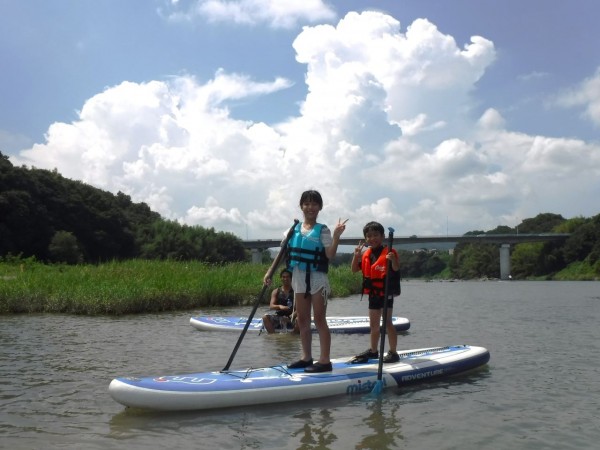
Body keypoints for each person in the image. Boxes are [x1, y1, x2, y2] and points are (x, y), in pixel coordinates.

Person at [265, 190, 347, 373]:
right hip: (299, 277)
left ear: (320, 207)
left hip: (318, 278)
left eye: (314, 204)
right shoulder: (292, 230)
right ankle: (306, 357)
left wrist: (336, 236)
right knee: (302, 320)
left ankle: (325, 361)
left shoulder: (323, 230)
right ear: (301, 206)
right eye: (307, 204)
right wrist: (270, 272)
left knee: (319, 319)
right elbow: (281, 254)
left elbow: (330, 254)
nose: (310, 208)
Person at [350, 221, 401, 364]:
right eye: (369, 236)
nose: (373, 238)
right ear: (366, 239)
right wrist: (356, 255)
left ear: (383, 236)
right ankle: (373, 351)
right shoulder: (366, 254)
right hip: (373, 294)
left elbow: (396, 269)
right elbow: (354, 270)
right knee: (373, 325)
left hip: (386, 293)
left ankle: (393, 352)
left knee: (387, 323)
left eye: (376, 235)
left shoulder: (390, 252)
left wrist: (393, 261)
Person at [262, 269, 298, 334]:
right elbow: (271, 306)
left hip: (292, 316)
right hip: (279, 316)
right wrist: (280, 306)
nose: (285, 279)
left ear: (291, 278)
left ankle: (293, 336)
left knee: (299, 319)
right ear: (281, 278)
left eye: (287, 277)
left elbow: (300, 308)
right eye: (283, 277)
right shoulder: (276, 291)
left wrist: (290, 317)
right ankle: (273, 336)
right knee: (265, 317)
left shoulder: (296, 291)